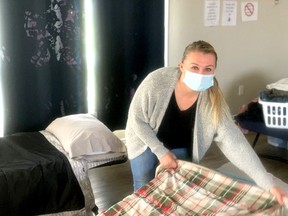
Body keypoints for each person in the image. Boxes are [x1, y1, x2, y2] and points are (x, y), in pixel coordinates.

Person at [125, 40, 286, 205]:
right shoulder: (156, 81)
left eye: (208, 69)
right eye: (194, 67)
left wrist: (267, 183)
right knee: (143, 190)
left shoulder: (212, 99)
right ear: (181, 66)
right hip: (144, 140)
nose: (201, 74)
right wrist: (161, 152)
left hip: (179, 145)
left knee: (176, 192)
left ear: (214, 71)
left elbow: (235, 143)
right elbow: (137, 119)